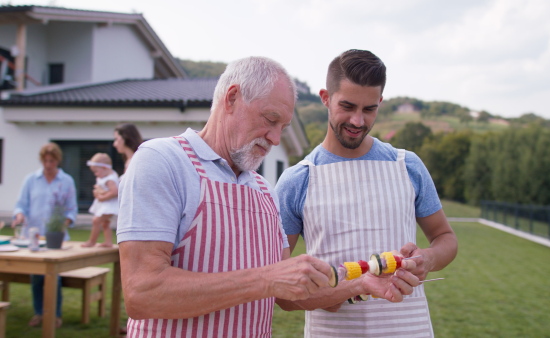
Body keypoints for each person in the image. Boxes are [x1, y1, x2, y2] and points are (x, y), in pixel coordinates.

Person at [116, 56, 335, 336]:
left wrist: (363, 285)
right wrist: (266, 279)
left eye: (283, 127)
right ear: (231, 98)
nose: (276, 138)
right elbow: (142, 292)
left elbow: (287, 293)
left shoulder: (264, 191)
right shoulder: (163, 161)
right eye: (271, 119)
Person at [275, 49, 458, 337]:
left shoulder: (407, 165)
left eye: (369, 109)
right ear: (325, 98)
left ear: (380, 103)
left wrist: (427, 259)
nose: (358, 121)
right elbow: (282, 292)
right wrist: (348, 288)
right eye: (347, 106)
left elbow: (445, 238)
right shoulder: (297, 180)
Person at [12, 142, 77, 328]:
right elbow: (21, 205)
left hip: (56, 238)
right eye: (45, 160)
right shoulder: (31, 180)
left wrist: (63, 223)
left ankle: (55, 315)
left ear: (58, 160)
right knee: (36, 276)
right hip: (33, 235)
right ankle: (39, 313)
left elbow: (71, 210)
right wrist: (19, 215)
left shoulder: (66, 181)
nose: (48, 164)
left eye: (52, 160)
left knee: (53, 277)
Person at [82, 153, 118, 248]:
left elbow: (114, 192)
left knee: (96, 220)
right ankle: (108, 242)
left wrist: (102, 197)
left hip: (109, 206)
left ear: (104, 168)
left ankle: (92, 241)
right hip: (104, 205)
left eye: (96, 171)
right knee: (105, 223)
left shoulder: (110, 179)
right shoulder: (104, 177)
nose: (95, 174)